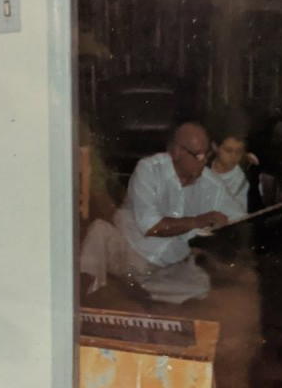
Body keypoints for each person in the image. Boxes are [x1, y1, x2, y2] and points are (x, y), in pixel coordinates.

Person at [80, 122, 243, 304]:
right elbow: (152, 227)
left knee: (201, 284)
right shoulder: (149, 169)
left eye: (207, 155)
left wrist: (224, 232)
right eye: (198, 155)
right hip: (128, 252)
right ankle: (88, 296)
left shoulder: (212, 185)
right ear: (176, 152)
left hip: (167, 267)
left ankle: (141, 289)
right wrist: (198, 221)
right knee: (98, 231)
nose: (204, 161)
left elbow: (239, 219)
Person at [208, 115, 262, 216]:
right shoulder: (201, 170)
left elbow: (256, 210)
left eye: (239, 151)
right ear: (215, 146)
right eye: (228, 150)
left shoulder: (249, 174)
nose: (234, 156)